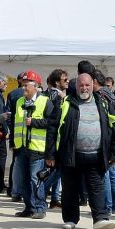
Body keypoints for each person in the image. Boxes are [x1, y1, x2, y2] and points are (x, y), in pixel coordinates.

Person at [45, 72, 115, 229]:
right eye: (81, 85)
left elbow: (114, 128)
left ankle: (100, 219)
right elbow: (52, 128)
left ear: (93, 85)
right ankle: (70, 219)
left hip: (97, 155)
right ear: (76, 86)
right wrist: (50, 154)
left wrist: (114, 153)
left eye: (87, 85)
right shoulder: (65, 103)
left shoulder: (103, 103)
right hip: (71, 154)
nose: (84, 88)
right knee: (70, 188)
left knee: (97, 188)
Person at [11, 70, 49, 219]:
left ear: (36, 86)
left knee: (36, 179)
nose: (23, 88)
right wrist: (13, 142)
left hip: (37, 148)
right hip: (21, 147)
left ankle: (40, 208)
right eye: (23, 85)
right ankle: (29, 207)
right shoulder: (19, 101)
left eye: (27, 85)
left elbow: (52, 123)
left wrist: (34, 122)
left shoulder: (45, 102)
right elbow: (15, 122)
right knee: (22, 179)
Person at [93, 69, 115, 213]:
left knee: (105, 173)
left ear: (94, 82)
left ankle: (107, 205)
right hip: (114, 138)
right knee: (113, 173)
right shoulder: (111, 95)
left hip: (106, 139)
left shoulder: (100, 97)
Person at [44, 68, 68, 208]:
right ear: (57, 82)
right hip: (55, 141)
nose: (68, 81)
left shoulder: (61, 94)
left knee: (57, 170)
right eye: (65, 80)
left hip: (58, 140)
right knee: (56, 170)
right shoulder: (55, 96)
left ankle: (53, 198)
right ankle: (41, 193)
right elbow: (53, 121)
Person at [6, 72, 28, 200]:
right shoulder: (39, 95)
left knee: (16, 164)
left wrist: (10, 130)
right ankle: (21, 191)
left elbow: (8, 115)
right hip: (31, 137)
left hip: (17, 135)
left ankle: (14, 190)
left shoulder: (13, 94)